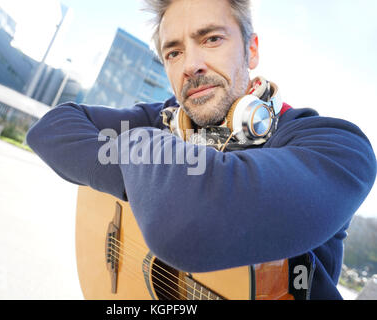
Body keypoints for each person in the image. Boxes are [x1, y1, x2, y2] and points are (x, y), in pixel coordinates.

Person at [26, 0, 376, 300]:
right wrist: (151, 167)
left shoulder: (337, 148)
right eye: (174, 52)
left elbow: (186, 225)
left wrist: (140, 146)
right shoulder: (169, 118)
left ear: (251, 50)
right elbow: (53, 128)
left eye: (211, 39)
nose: (190, 65)